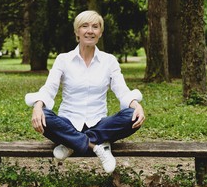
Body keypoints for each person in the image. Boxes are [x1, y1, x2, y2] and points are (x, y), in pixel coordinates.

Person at [25, 10, 145, 173]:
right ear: (77, 31)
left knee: (131, 115)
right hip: (68, 122)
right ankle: (96, 145)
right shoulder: (63, 59)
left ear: (100, 33)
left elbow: (122, 91)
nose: (90, 30)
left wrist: (136, 105)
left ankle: (71, 143)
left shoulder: (109, 61)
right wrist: (38, 106)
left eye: (95, 27)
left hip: (99, 123)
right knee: (44, 115)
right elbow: (49, 88)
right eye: (84, 26)